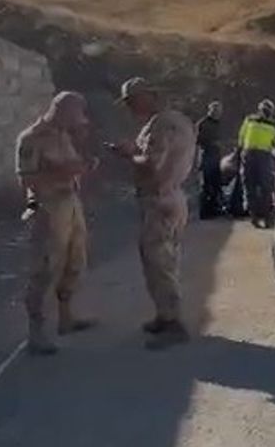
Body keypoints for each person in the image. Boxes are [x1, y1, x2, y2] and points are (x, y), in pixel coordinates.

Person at [109, 78, 196, 349]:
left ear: (148, 96)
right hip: (171, 196)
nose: (130, 107)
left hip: (160, 200)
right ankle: (165, 315)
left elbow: (152, 165)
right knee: (164, 261)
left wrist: (128, 154)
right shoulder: (176, 120)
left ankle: (173, 324)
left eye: (132, 100)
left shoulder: (160, 125)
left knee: (159, 264)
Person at [14, 92, 98, 356]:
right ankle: (37, 331)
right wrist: (64, 171)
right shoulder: (31, 138)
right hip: (47, 206)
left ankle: (66, 316)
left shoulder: (63, 135)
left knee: (75, 261)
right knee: (46, 269)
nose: (78, 121)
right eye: (75, 115)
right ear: (61, 110)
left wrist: (82, 165)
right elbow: (26, 179)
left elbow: (71, 166)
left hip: (70, 203)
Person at [238, 100, 275, 229]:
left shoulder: (272, 124)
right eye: (264, 110)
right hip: (252, 154)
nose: (265, 112)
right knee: (251, 185)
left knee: (265, 186)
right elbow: (242, 135)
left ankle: (265, 217)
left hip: (261, 155)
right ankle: (255, 217)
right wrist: (240, 150)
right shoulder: (251, 120)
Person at [194, 101, 225, 220]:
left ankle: (214, 209)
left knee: (216, 184)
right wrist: (211, 143)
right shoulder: (203, 124)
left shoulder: (218, 124)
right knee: (206, 186)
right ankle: (205, 212)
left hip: (215, 157)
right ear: (210, 110)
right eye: (215, 111)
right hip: (206, 156)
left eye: (219, 111)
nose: (218, 113)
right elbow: (197, 141)